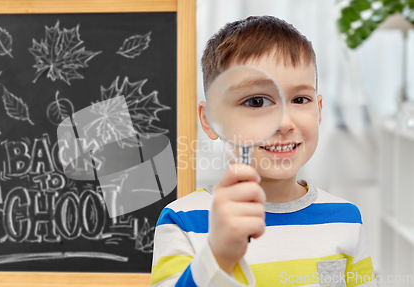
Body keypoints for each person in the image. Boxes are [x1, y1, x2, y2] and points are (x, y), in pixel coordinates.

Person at [150, 15, 376, 286]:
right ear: (209, 120)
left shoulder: (346, 218)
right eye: (256, 101)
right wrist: (217, 257)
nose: (284, 122)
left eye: (299, 99)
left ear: (319, 111)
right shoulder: (184, 221)